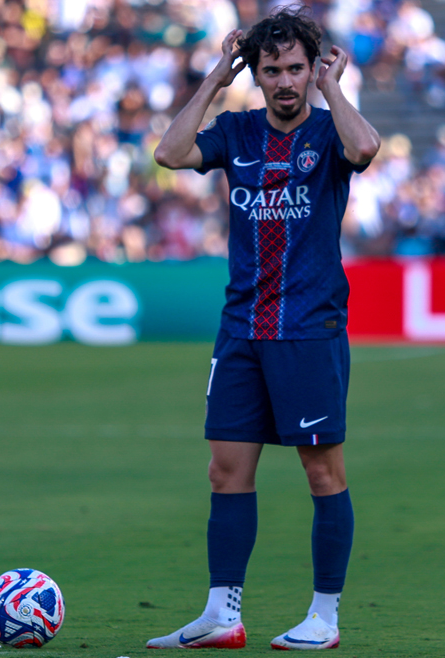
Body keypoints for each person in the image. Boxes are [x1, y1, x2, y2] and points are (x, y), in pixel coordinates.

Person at [148, 5, 380, 651]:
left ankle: (324, 617)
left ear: (312, 70)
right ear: (257, 73)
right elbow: (169, 153)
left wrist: (333, 88)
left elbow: (365, 148)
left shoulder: (333, 132)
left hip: (308, 328)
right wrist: (213, 80)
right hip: (242, 328)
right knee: (224, 471)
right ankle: (222, 614)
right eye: (271, 69)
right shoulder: (237, 132)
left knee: (321, 473)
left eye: (295, 70)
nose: (283, 81)